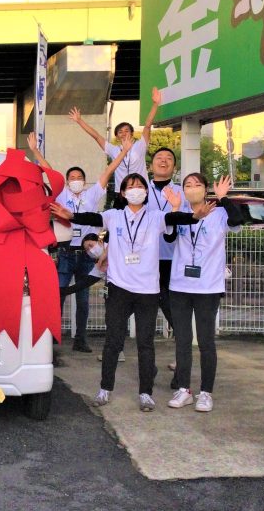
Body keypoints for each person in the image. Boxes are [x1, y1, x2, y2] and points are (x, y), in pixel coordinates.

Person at [52, 172, 211, 412]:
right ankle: (105, 388)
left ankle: (146, 393)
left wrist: (194, 216)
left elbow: (175, 217)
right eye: (130, 186)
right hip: (119, 288)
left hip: (147, 291)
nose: (135, 189)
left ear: (146, 192)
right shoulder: (114, 216)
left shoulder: (155, 217)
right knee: (112, 342)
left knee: (146, 344)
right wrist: (71, 215)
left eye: (140, 186)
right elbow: (93, 216)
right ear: (123, 193)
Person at [27, 132, 131, 353]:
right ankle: (52, 340)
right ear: (67, 181)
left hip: (87, 254)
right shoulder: (61, 195)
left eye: (79, 177)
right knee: (58, 296)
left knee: (83, 300)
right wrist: (35, 151)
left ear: (84, 181)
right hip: (65, 252)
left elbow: (108, 171)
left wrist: (123, 152)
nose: (75, 180)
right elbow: (49, 172)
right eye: (72, 177)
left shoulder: (92, 194)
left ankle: (80, 339)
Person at [164, 175, 244, 413]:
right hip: (180, 286)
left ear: (206, 188)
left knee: (206, 341)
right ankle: (184, 390)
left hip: (208, 287)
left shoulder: (219, 214)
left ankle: (206, 392)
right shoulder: (181, 215)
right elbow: (168, 236)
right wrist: (175, 209)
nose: (192, 189)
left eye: (197, 185)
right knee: (182, 340)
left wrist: (223, 198)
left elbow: (238, 221)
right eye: (187, 185)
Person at [68, 87, 162, 192]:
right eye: (120, 132)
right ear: (117, 137)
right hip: (121, 191)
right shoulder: (114, 150)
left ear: (132, 133)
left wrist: (155, 104)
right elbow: (96, 136)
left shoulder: (140, 145)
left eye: (126, 131)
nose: (123, 134)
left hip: (141, 189)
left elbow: (147, 126)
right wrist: (79, 121)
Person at [147, 147, 184, 343]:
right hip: (146, 257)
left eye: (169, 158)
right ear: (150, 165)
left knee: (171, 302)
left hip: (173, 256)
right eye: (159, 157)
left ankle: (182, 343)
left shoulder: (182, 191)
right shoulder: (141, 190)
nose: (163, 161)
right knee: (142, 302)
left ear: (174, 167)